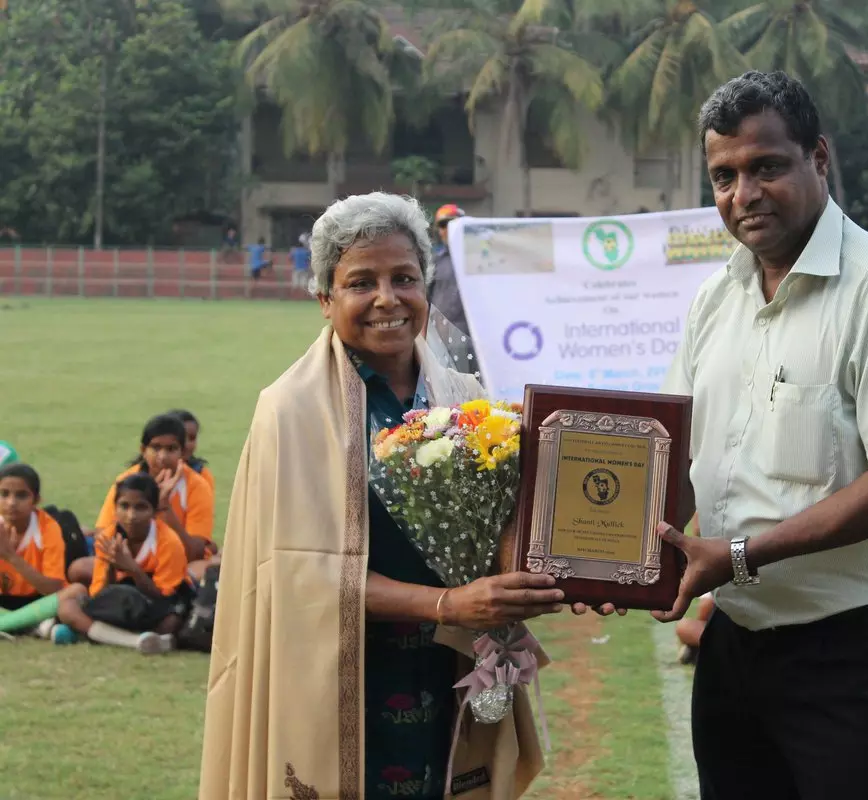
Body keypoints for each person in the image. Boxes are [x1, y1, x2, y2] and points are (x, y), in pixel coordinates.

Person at [645, 72, 868, 800]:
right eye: (723, 176)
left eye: (766, 167)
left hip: (858, 642)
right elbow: (674, 447)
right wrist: (602, 555)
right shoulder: (715, 295)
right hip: (738, 636)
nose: (743, 194)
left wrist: (736, 556)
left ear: (818, 158)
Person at [200, 192, 557, 800]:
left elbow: (503, 528)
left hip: (445, 668)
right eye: (361, 282)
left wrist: (527, 574)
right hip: (339, 671)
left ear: (427, 286)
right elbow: (295, 575)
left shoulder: (465, 396)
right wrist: (448, 604)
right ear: (324, 299)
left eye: (405, 278)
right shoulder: (288, 410)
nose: (388, 299)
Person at [52, 473, 186, 654]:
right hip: (118, 601)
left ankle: (102, 634)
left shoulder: (169, 542)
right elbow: (99, 594)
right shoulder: (108, 537)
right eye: (124, 506)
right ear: (114, 510)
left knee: (173, 621)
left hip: (152, 606)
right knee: (67, 607)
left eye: (141, 507)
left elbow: (163, 597)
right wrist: (109, 565)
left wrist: (133, 569)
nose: (131, 515)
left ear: (154, 511)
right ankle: (134, 641)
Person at [76, 414, 216, 585]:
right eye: (156, 448)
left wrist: (164, 507)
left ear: (182, 453)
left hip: (177, 562)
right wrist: (126, 561)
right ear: (143, 450)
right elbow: (103, 535)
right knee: (79, 568)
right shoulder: (126, 481)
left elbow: (195, 553)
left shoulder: (197, 485)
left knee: (204, 570)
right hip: (128, 560)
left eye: (171, 449)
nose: (162, 457)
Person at [0, 464, 66, 638]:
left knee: (75, 593)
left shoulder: (48, 528)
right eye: (4, 494)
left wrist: (11, 557)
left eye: (21, 495)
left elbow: (52, 589)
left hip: (37, 600)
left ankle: (8, 624)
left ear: (36, 500)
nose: (11, 503)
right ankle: (32, 626)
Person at [427, 203, 471, 337]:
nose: (447, 229)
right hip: (441, 335)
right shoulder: (434, 262)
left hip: (472, 335)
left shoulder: (478, 259)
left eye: (451, 223)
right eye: (442, 225)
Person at [168, 409, 215, 491]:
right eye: (181, 437)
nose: (187, 444)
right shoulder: (144, 471)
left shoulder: (202, 475)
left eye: (192, 438)